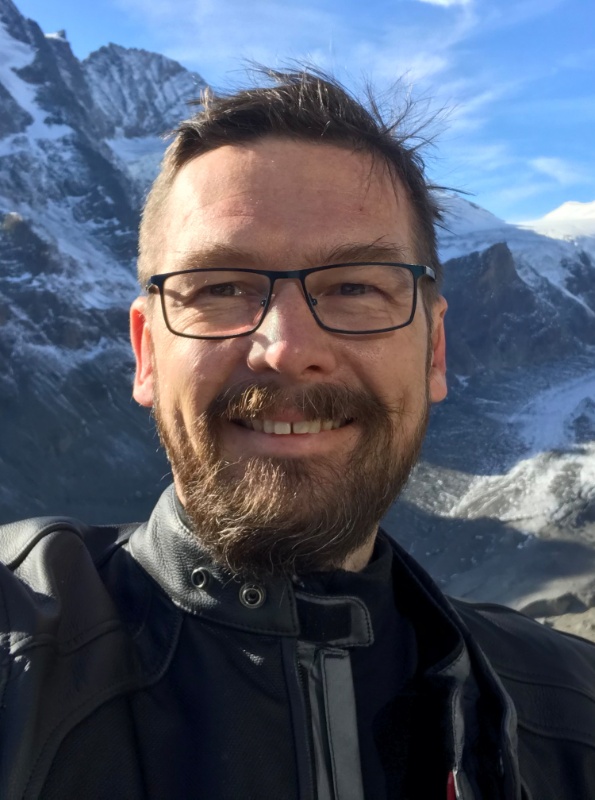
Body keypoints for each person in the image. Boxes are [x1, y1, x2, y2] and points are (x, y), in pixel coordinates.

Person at [0, 68, 593, 800]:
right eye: (221, 287)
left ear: (435, 351)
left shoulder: (572, 713)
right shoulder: (19, 655)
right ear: (146, 352)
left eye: (355, 286)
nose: (286, 348)